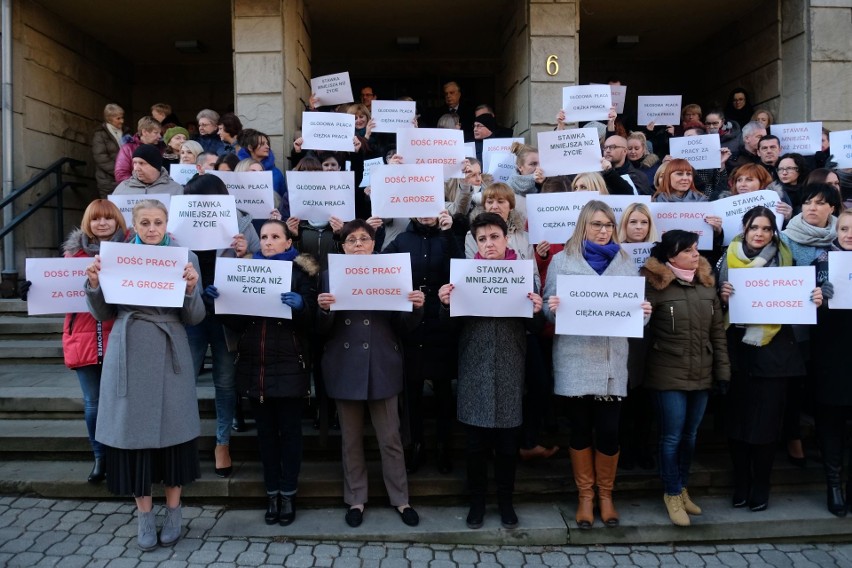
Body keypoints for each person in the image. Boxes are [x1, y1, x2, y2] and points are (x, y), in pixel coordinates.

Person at [85, 198, 205, 550]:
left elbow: (195, 317)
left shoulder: (186, 257)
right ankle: (144, 517)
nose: (152, 229)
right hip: (129, 349)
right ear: (134, 226)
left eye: (158, 222)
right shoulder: (115, 256)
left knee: (174, 435)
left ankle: (174, 512)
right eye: (145, 223)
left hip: (170, 351)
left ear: (167, 224)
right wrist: (93, 283)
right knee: (133, 436)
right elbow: (103, 312)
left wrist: (190, 288)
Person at [543, 201, 652, 529]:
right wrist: (553, 307)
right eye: (596, 225)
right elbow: (549, 313)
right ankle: (585, 496)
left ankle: (606, 495)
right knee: (579, 430)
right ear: (583, 226)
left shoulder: (625, 259)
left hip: (611, 361)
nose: (603, 231)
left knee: (608, 431)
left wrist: (643, 315)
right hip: (576, 358)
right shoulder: (561, 261)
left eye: (607, 225)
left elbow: (632, 315)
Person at [316, 220, 425, 528]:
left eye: (364, 239)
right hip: (345, 364)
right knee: (350, 439)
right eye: (351, 240)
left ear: (374, 244)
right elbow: (319, 330)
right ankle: (356, 500)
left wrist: (415, 307)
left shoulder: (391, 273)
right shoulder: (328, 277)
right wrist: (323, 311)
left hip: (381, 362)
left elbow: (404, 326)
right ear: (343, 246)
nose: (358, 244)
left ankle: (401, 499)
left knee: (390, 437)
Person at [438, 212, 544, 529]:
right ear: (475, 242)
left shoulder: (523, 274)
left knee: (508, 446)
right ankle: (477, 502)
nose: (489, 244)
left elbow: (536, 328)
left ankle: (506, 501)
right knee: (475, 446)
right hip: (475, 368)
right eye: (482, 239)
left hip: (511, 369)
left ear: (506, 238)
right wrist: (445, 305)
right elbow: (449, 329)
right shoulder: (465, 275)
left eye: (494, 237)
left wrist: (537, 310)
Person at [212, 220, 319, 525]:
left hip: (289, 369)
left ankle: (288, 493)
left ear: (289, 243)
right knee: (266, 437)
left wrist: (301, 307)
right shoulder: (246, 272)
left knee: (290, 435)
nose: (268, 242)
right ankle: (271, 493)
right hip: (254, 369)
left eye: (275, 237)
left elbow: (313, 323)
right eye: (263, 237)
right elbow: (237, 324)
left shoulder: (302, 274)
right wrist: (218, 304)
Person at [718, 206, 821, 511]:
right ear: (744, 230)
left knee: (764, 426)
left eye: (765, 229)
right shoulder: (727, 258)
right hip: (737, 351)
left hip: (775, 353)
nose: (759, 234)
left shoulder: (787, 258)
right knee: (736, 422)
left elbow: (802, 297)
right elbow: (709, 301)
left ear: (773, 232)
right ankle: (741, 483)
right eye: (754, 228)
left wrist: (814, 297)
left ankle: (761, 483)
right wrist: (721, 296)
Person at [640, 230, 729, 527]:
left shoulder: (706, 285)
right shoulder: (653, 286)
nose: (696, 254)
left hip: (702, 373)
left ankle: (683, 486)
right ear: (670, 255)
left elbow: (717, 332)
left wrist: (723, 373)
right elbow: (640, 328)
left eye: (696, 249)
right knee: (672, 436)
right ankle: (672, 492)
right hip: (667, 373)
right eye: (689, 250)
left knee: (690, 437)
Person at [179, 175, 260, 479]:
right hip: (191, 312)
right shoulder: (180, 222)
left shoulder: (239, 223)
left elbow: (262, 264)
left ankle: (222, 443)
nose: (194, 205)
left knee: (225, 383)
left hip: (227, 315)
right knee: (184, 378)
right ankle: (183, 440)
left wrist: (245, 254)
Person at [383, 211, 464, 474]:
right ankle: (416, 445)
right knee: (413, 389)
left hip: (441, 319)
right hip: (414, 318)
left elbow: (460, 268)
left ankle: (444, 447)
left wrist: (449, 233)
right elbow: (382, 268)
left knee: (442, 390)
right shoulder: (402, 239)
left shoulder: (447, 237)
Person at [61, 200, 128, 482]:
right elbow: (57, 292)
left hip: (119, 334)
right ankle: (100, 458)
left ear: (117, 222)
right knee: (93, 403)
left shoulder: (131, 251)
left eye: (107, 219)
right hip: (83, 335)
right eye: (96, 219)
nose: (102, 224)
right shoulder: (71, 256)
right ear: (88, 222)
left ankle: (120, 457)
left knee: (119, 402)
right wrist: (34, 290)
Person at [780, 183, 841, 467]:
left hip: (833, 330)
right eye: (807, 202)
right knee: (796, 386)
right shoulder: (785, 238)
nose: (812, 208)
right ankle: (793, 437)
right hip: (797, 328)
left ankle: (824, 437)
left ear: (832, 208)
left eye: (819, 203)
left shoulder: (842, 236)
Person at [811, 209, 852, 516]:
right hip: (832, 358)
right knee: (831, 424)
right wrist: (818, 301)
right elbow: (806, 317)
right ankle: (834, 484)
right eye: (845, 228)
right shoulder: (821, 263)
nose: (849, 234)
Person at [617, 203, 659, 471]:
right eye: (633, 222)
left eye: (643, 222)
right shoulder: (614, 254)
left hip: (650, 330)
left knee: (645, 394)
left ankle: (643, 448)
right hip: (622, 332)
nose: (638, 227)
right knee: (625, 393)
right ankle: (624, 451)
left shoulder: (659, 256)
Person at [113, 144, 184, 196]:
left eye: (141, 163)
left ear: (155, 166)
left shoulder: (176, 190)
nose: (136, 168)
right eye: (135, 163)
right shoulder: (122, 188)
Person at [114, 116, 164, 183]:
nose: (159, 136)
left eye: (160, 133)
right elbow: (121, 174)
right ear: (144, 132)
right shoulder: (127, 149)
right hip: (135, 190)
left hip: (159, 189)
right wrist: (140, 185)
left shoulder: (162, 148)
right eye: (156, 133)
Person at [92, 104, 126, 197]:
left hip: (125, 179)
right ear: (109, 119)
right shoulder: (100, 134)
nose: (122, 121)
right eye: (118, 118)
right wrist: (119, 172)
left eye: (122, 118)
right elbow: (100, 157)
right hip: (108, 181)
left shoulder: (126, 132)